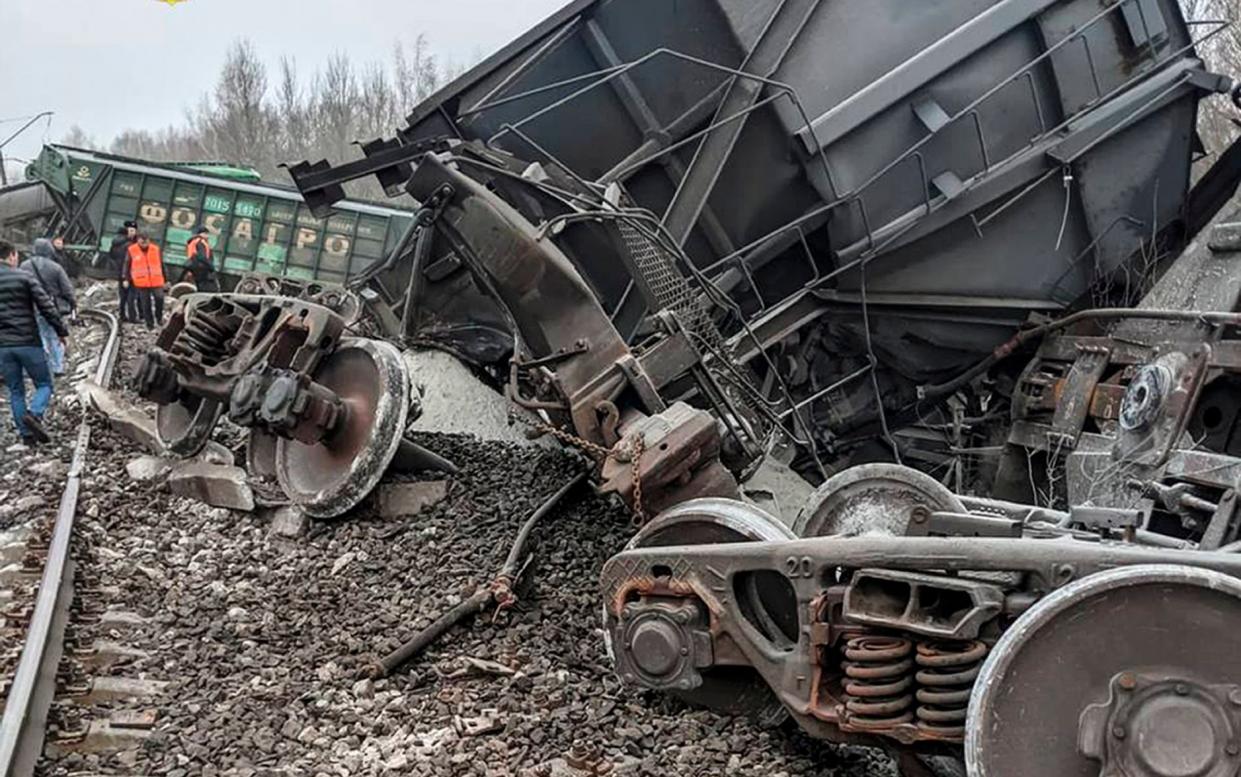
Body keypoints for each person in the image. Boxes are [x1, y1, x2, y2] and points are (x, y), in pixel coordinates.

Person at [0, 239, 69, 447]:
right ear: (12, 255)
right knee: (45, 384)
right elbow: (46, 306)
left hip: (3, 346)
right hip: (28, 341)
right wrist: (61, 331)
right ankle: (35, 414)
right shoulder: (24, 277)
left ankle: (26, 436)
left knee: (16, 390)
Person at [20, 238, 76, 375]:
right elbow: (67, 289)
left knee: (35, 335)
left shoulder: (24, 266)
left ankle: (38, 366)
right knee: (54, 336)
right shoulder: (56, 267)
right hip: (51, 306)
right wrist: (73, 303)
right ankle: (57, 367)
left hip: (30, 305)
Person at [127, 233, 166, 330]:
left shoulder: (155, 249)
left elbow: (162, 264)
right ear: (138, 240)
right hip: (141, 282)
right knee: (145, 304)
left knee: (160, 298)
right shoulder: (132, 250)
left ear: (149, 240)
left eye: (146, 240)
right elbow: (126, 265)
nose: (144, 242)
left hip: (156, 280)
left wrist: (166, 278)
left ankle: (159, 317)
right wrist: (126, 278)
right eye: (142, 240)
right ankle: (150, 324)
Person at [109, 221, 138, 323]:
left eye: (133, 230)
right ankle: (132, 317)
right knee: (131, 295)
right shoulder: (129, 244)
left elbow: (111, 255)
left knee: (124, 295)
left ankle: (122, 315)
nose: (132, 232)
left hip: (121, 271)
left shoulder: (116, 241)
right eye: (130, 230)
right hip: (128, 271)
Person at [180, 227, 218, 292]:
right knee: (206, 288)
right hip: (201, 268)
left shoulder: (193, 241)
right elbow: (202, 256)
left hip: (192, 266)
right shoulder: (201, 242)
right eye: (206, 234)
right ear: (202, 234)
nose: (208, 236)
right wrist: (211, 266)